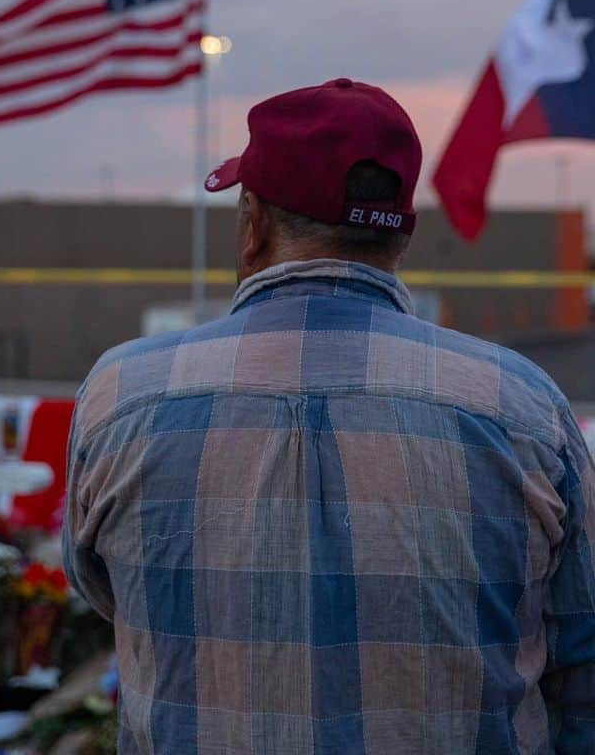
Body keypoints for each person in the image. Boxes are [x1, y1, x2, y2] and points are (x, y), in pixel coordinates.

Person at [63, 78, 595, 754]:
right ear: (401, 234)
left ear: (251, 222)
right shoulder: (520, 405)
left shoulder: (122, 394)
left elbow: (103, 590)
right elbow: (581, 657)